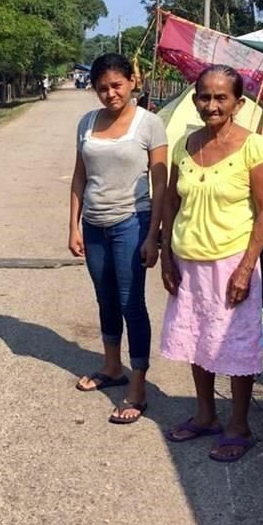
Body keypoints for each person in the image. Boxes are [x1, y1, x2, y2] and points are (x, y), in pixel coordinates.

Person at [160, 64, 263, 461]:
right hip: (188, 260)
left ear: (237, 103)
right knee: (197, 339)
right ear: (194, 100)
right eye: (204, 96)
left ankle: (239, 425)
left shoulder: (253, 146)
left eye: (221, 97)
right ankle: (206, 415)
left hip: (231, 263)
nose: (212, 104)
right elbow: (173, 204)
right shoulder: (184, 145)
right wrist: (166, 256)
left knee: (235, 344)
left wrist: (246, 267)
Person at [69, 53, 169, 424]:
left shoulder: (150, 124)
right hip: (94, 224)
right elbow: (79, 175)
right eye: (102, 88)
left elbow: (161, 183)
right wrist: (73, 225)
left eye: (116, 85)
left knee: (131, 302)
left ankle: (138, 385)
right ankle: (112, 368)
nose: (110, 94)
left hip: (132, 221)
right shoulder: (86, 123)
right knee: (105, 296)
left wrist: (154, 234)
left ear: (132, 82)